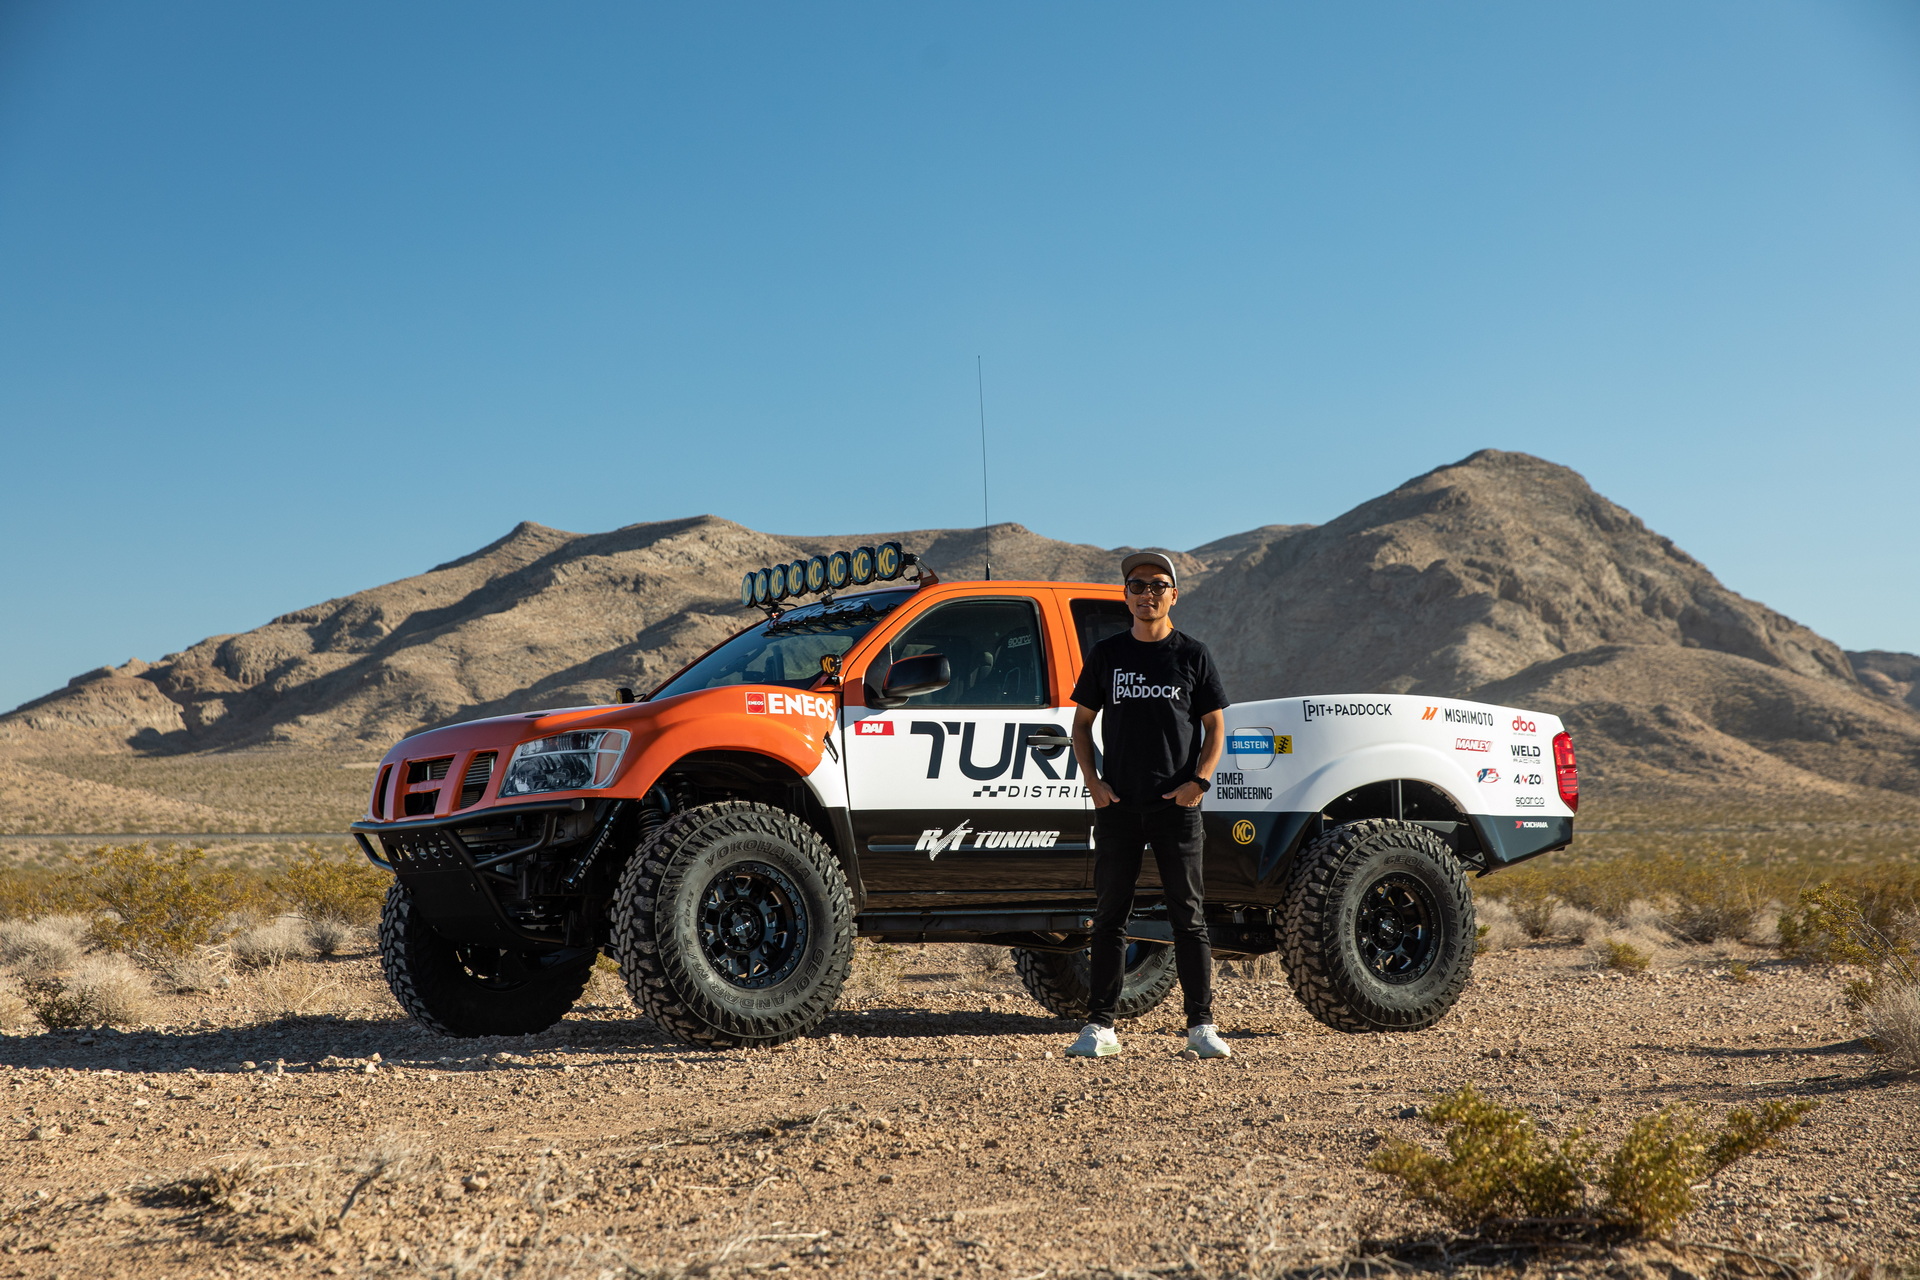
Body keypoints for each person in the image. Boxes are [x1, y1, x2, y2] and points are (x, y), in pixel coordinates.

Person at [1065, 551, 1230, 1060]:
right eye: (1136, 585)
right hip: (1118, 806)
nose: (1146, 594)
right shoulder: (1107, 655)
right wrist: (1094, 782)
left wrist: (1197, 783)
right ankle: (1101, 1027)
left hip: (1176, 808)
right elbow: (1081, 726)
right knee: (1110, 915)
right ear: (1126, 596)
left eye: (1158, 585)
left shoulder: (1193, 655)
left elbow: (1216, 727)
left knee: (1189, 917)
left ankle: (1200, 1027)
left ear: (1173, 595)